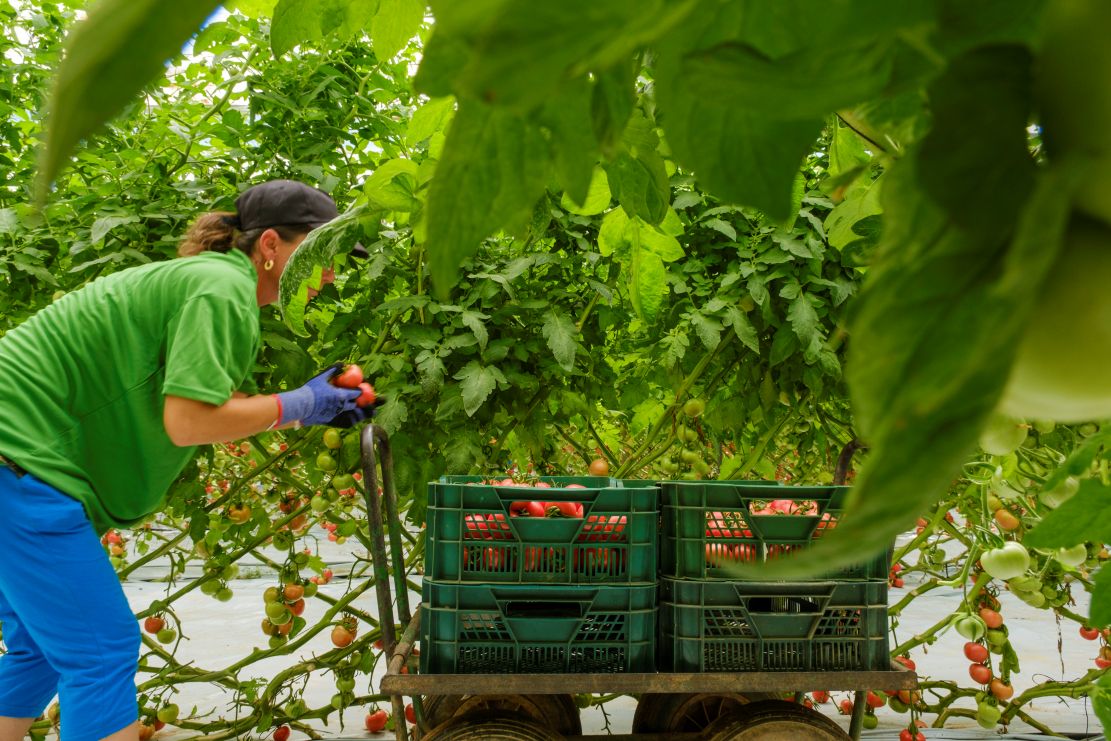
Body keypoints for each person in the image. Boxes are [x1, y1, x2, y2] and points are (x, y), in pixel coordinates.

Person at [0, 179, 376, 741]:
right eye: (320, 255)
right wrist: (300, 403)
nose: (330, 274)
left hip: (19, 462)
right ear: (270, 245)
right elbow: (188, 422)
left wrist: (304, 408)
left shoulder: (209, 284)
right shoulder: (220, 289)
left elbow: (206, 407)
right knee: (102, 651)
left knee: (41, 648)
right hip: (18, 466)